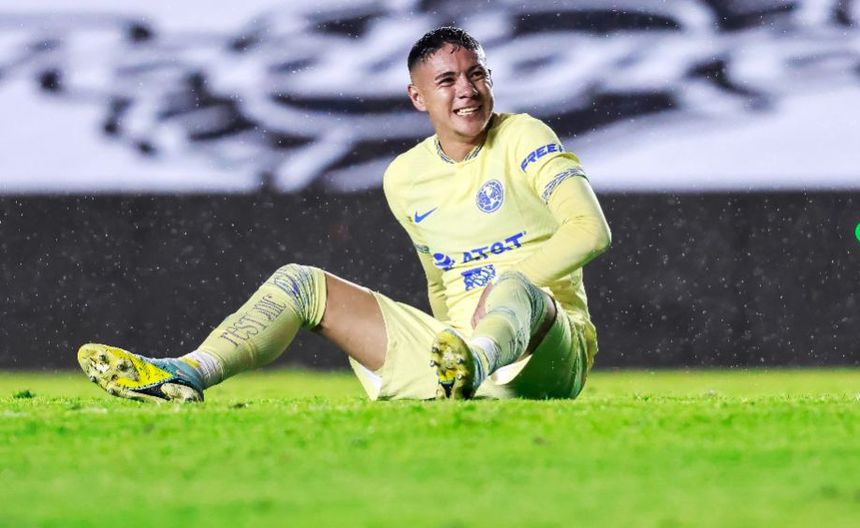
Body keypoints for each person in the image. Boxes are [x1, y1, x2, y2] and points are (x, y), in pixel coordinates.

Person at [77, 27, 611, 402]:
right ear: (417, 97)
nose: (467, 90)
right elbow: (440, 284)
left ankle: (472, 361)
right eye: (447, 81)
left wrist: (497, 298)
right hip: (461, 353)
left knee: (512, 284)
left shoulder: (524, 134)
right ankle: (185, 373)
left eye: (476, 75)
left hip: (551, 351)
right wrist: (450, 341)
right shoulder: (404, 177)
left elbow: (591, 231)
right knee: (299, 283)